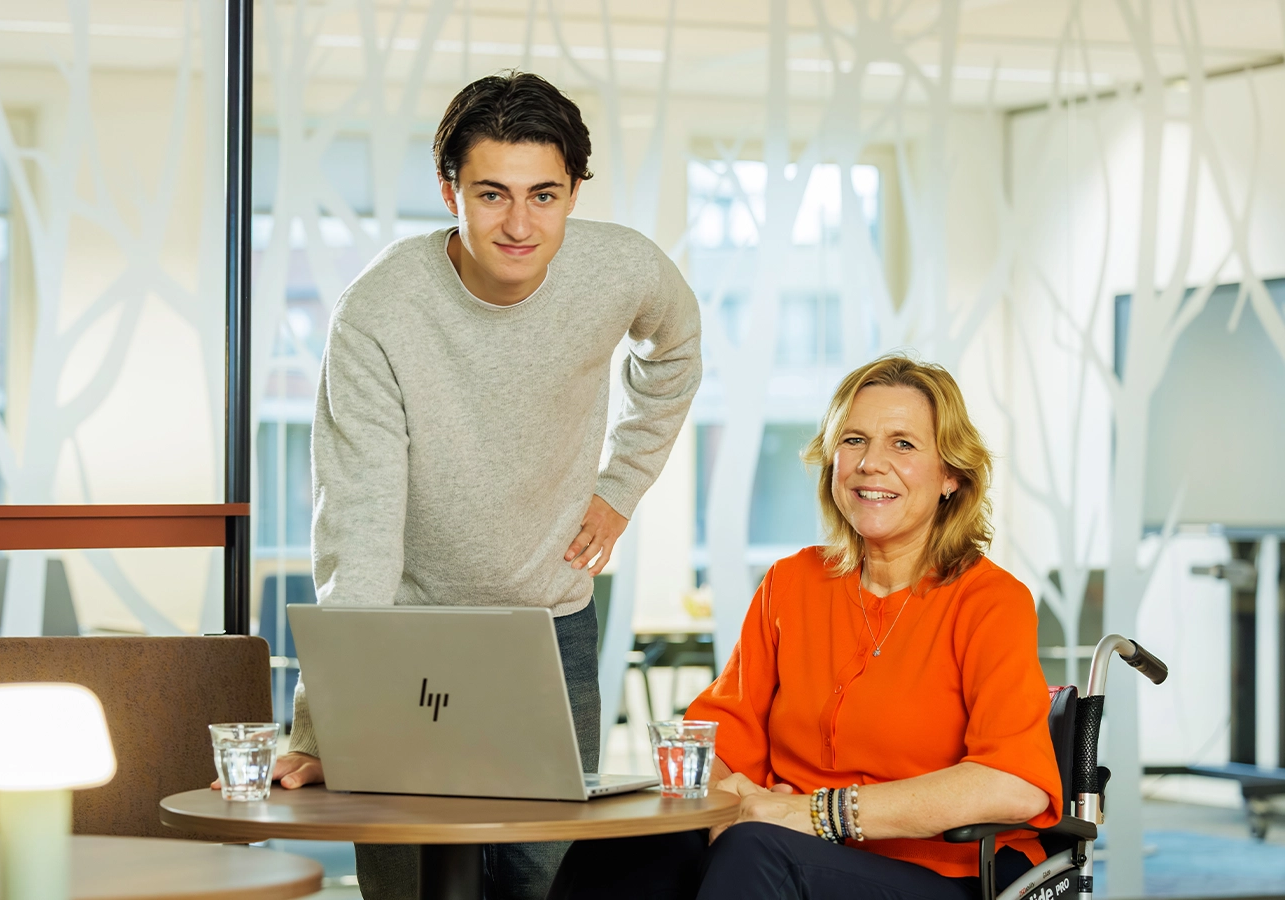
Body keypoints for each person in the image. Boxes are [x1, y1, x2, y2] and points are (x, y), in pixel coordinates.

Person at [256, 71, 703, 900]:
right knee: (407, 884)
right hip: (405, 638)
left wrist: (620, 487)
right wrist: (328, 726)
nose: (521, 224)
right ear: (449, 189)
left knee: (544, 882)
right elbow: (357, 525)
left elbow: (673, 353)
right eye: (492, 194)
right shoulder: (380, 311)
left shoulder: (621, 269)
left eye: (545, 194)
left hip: (550, 621)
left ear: (575, 191)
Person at [552, 355, 1063, 900]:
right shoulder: (791, 584)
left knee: (754, 852)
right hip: (786, 849)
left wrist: (815, 813)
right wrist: (725, 796)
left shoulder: (989, 600)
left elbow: (1014, 784)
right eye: (854, 440)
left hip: (941, 872)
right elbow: (725, 738)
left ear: (950, 477)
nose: (871, 463)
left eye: (904, 444)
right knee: (620, 846)